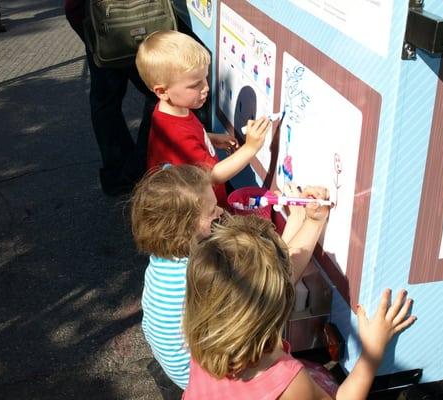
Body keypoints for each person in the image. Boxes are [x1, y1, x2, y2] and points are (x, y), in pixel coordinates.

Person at [130, 164, 331, 390]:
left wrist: (295, 221)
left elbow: (270, 267)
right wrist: (313, 222)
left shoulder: (164, 254)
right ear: (185, 228)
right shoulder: (205, 269)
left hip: (181, 365)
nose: (219, 212)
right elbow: (278, 278)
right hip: (211, 376)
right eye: (212, 211)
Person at [182, 215, 417, 400]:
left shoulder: (205, 341)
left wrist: (310, 222)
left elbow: (256, 287)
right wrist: (372, 352)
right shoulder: (290, 382)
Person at [135, 30, 271, 207]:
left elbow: (189, 135)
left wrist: (210, 138)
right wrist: (251, 148)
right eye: (195, 84)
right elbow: (212, 176)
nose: (206, 87)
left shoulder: (174, 109)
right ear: (162, 91)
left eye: (204, 78)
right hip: (197, 213)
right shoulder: (175, 132)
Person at [63, 0, 156, 196]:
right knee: (160, 93)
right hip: (136, 21)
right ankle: (140, 167)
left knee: (105, 102)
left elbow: (73, 9)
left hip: (97, 24)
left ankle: (120, 173)